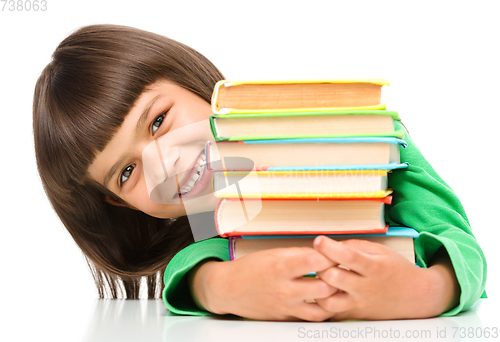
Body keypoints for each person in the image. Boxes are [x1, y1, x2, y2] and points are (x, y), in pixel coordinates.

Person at [33, 24, 486, 321]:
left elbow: (462, 245)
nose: (164, 162)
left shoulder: (368, 138)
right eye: (127, 171)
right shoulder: (209, 213)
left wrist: (429, 291)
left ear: (197, 86)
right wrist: (218, 288)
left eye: (157, 121)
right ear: (118, 203)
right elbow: (189, 266)